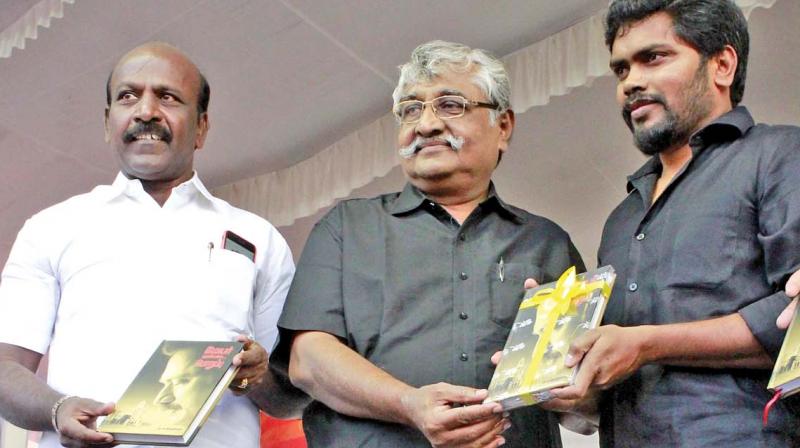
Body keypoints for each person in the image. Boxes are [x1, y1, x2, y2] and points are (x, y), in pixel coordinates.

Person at [270, 40, 584, 448]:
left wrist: (572, 380)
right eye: (411, 110)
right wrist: (409, 404)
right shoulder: (347, 229)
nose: (427, 124)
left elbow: (584, 410)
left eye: (451, 105)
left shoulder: (546, 243)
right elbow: (307, 361)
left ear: (503, 126)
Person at [0, 42, 295, 448]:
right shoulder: (52, 227)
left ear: (202, 128)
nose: (146, 111)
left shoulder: (259, 239)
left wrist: (257, 376)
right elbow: (4, 369)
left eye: (168, 97)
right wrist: (59, 408)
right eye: (127, 96)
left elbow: (293, 395)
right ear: (108, 123)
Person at [543, 1, 800, 446]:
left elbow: (791, 319)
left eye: (653, 58)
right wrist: (553, 355)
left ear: (722, 64)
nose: (631, 83)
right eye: (620, 70)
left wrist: (645, 343)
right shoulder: (621, 220)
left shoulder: (780, 156)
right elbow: (614, 377)